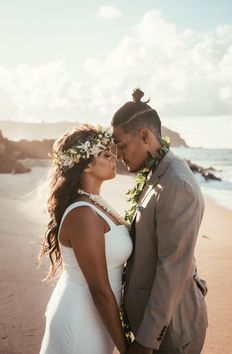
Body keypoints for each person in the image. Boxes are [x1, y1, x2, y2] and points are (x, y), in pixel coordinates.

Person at [111, 89, 208, 354]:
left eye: (121, 146)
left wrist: (145, 342)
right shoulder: (158, 172)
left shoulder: (176, 184)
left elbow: (172, 269)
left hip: (172, 333)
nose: (119, 156)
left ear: (144, 135)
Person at [39, 124, 132, 354]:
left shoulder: (95, 205)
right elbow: (99, 289)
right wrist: (126, 348)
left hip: (98, 315)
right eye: (105, 154)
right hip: (81, 316)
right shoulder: (83, 215)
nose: (114, 158)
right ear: (88, 165)